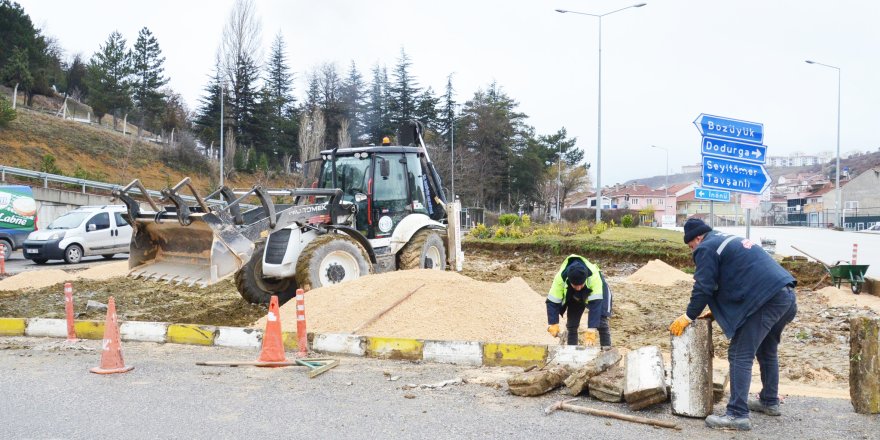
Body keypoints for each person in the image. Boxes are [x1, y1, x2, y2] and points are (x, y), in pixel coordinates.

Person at [669, 218, 797, 431]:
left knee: (739, 354)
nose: (693, 251)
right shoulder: (725, 239)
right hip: (786, 296)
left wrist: (689, 315)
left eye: (691, 246)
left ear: (698, 238)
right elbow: (737, 278)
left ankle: (737, 414)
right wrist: (716, 310)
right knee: (767, 350)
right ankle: (769, 401)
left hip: (767, 300)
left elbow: (704, 287)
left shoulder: (706, 248)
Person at [546, 254, 613, 347]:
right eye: (575, 285)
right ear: (569, 280)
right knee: (571, 325)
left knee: (601, 322)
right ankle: (572, 352)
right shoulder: (560, 278)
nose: (578, 288)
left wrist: (591, 329)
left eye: (580, 285)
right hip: (573, 293)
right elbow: (552, 300)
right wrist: (553, 323)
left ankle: (607, 352)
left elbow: (596, 305)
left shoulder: (593, 277)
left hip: (598, 291)